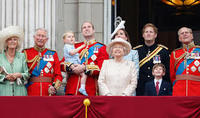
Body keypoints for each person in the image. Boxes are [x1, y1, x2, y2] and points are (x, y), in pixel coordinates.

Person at [60, 21, 109, 96]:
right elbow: (61, 64)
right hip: (72, 89)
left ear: (93, 30)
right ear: (82, 32)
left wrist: (84, 68)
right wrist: (71, 66)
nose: (86, 29)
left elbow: (102, 68)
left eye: (89, 27)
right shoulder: (74, 46)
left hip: (90, 90)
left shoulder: (101, 48)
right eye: (84, 27)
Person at [23, 28, 62, 96]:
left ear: (46, 39)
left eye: (43, 36)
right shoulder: (26, 52)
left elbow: (58, 75)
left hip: (48, 91)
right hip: (31, 90)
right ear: (34, 37)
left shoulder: (53, 53)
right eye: (38, 35)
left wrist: (54, 87)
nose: (40, 38)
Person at [133, 23, 170, 96]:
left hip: (156, 86)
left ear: (155, 35)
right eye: (146, 32)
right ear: (143, 35)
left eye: (151, 32)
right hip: (140, 86)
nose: (148, 34)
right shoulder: (136, 51)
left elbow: (167, 70)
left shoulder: (163, 51)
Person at [170, 27, 200, 96]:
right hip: (179, 91)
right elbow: (172, 75)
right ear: (179, 38)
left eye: (187, 32)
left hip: (197, 90)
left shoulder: (199, 51)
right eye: (182, 33)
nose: (184, 34)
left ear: (192, 36)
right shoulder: (175, 53)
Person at [0, 26, 29, 96]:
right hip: (4, 91)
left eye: (15, 39)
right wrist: (5, 78)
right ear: (6, 42)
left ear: (17, 42)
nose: (12, 41)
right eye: (10, 39)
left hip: (20, 91)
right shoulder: (0, 57)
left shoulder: (22, 56)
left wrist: (19, 75)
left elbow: (27, 74)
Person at [62, 31, 88, 96]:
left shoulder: (71, 45)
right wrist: (82, 46)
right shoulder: (68, 46)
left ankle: (81, 88)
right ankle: (82, 88)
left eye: (73, 37)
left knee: (69, 76)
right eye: (69, 37)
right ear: (64, 40)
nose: (71, 38)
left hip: (74, 63)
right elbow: (72, 53)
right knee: (84, 75)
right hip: (72, 63)